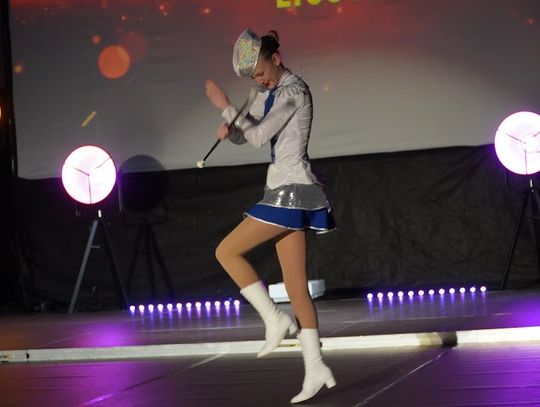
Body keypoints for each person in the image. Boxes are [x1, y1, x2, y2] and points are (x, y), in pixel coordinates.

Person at [205, 28, 336, 404]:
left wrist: (225, 105)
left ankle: (275, 319)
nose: (259, 80)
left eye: (262, 72)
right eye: (255, 77)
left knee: (226, 251)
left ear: (276, 59)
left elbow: (261, 136)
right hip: (284, 190)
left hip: (292, 190)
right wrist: (231, 132)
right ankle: (316, 367)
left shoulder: (295, 92)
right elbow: (248, 135)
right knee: (296, 287)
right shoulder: (269, 93)